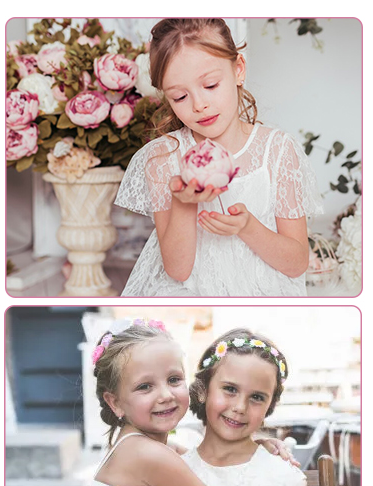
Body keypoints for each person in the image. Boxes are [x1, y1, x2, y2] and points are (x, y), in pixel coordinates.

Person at [23, 320, 314, 486]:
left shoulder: (150, 449)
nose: (164, 394)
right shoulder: (149, 456)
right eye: (145, 386)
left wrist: (259, 444)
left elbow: (207, 463)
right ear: (116, 403)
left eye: (173, 380)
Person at [116, 19, 320, 296]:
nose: (199, 105)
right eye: (180, 97)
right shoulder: (163, 158)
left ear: (238, 70)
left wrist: (248, 228)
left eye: (210, 85)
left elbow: (297, 264)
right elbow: (177, 270)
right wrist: (184, 202)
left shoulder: (278, 151)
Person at [170, 329, 315, 486]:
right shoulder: (178, 473)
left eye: (257, 397)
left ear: (270, 406)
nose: (240, 407)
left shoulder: (279, 472)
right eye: (229, 389)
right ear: (203, 390)